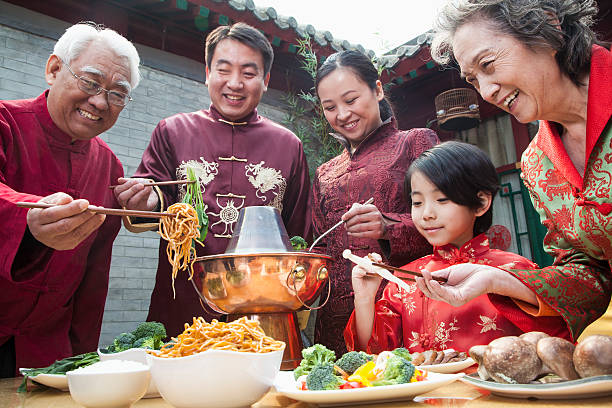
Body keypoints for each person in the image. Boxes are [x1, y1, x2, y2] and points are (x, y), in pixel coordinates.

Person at [428, 0, 612, 341]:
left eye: (489, 64)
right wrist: (497, 278)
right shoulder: (536, 164)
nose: (486, 92)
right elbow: (590, 273)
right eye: (474, 79)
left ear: (547, 27)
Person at [113, 23, 312, 338]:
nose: (235, 83)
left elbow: (301, 236)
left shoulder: (289, 146)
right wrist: (146, 200)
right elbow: (151, 193)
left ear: (266, 80)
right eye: (224, 70)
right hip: (183, 303)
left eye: (248, 73)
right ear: (207, 73)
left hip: (262, 314)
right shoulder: (172, 132)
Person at [0, 22, 140, 377]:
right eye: (90, 82)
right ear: (54, 69)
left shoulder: (109, 167)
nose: (99, 101)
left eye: (117, 93)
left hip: (50, 351)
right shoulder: (6, 122)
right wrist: (26, 221)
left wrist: (82, 361)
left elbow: (93, 279)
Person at [345, 142, 570, 353]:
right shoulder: (403, 280)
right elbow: (373, 356)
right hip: (426, 394)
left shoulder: (517, 270)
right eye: (417, 202)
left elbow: (554, 343)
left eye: (441, 200)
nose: (427, 214)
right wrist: (364, 298)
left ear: (481, 202)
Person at [311, 50, 438, 356]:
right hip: (336, 325)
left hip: (405, 310)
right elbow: (319, 246)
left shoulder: (415, 142)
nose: (342, 114)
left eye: (351, 100)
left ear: (377, 90)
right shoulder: (325, 173)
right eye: (330, 107)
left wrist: (387, 226)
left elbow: (451, 221)